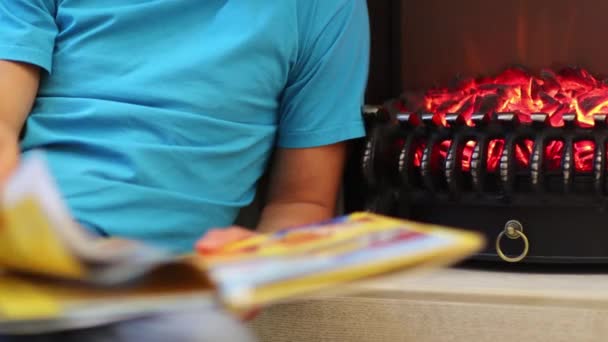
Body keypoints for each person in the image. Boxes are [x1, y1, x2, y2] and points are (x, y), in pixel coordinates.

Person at [0, 0, 370, 341]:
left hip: (163, 283)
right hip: (31, 246)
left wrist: (259, 259)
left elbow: (302, 201)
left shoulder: (326, 8)